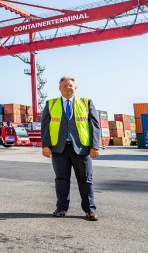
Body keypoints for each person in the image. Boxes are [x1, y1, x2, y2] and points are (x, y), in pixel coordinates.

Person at [41, 76, 101, 221]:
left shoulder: (86, 103)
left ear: (75, 88)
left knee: (86, 179)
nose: (68, 87)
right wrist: (45, 145)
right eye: (64, 85)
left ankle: (90, 210)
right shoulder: (50, 104)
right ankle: (61, 208)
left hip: (81, 148)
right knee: (61, 179)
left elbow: (95, 125)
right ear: (59, 88)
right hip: (58, 148)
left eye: (70, 85)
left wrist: (94, 146)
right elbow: (45, 126)